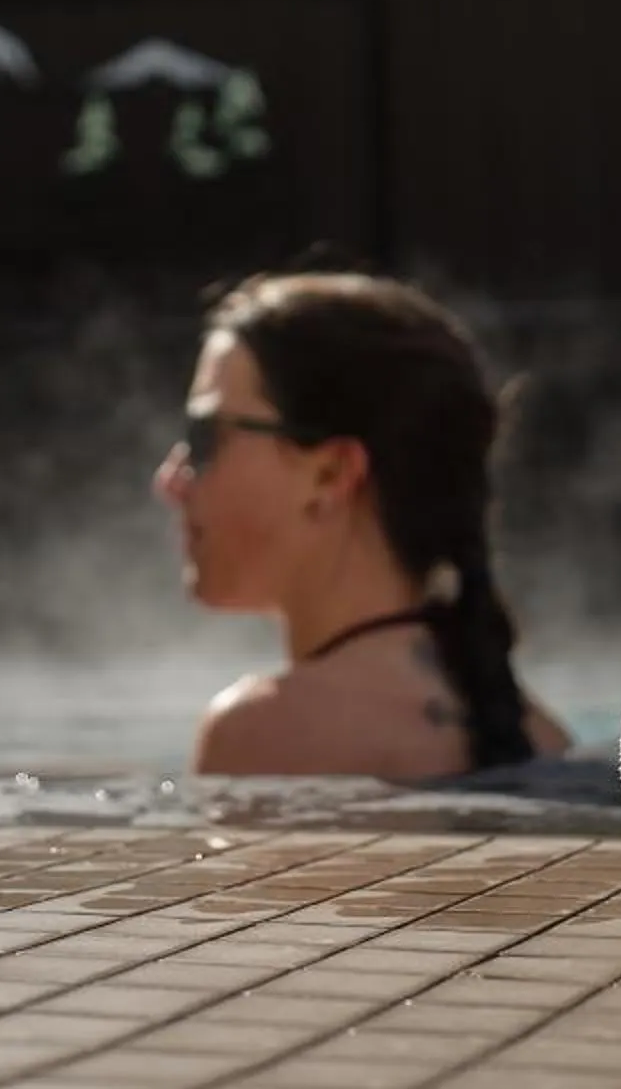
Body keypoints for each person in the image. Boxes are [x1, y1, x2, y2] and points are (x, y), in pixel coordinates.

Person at [152, 270, 571, 778]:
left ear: (330, 474)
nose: (170, 480)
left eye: (203, 438)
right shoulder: (544, 738)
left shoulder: (265, 734)